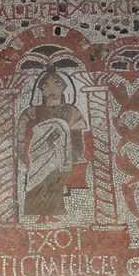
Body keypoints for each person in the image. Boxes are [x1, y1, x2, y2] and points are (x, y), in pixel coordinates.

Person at [17, 67, 88, 219]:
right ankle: (38, 214)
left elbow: (77, 133)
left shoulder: (71, 111)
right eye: (46, 86)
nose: (52, 89)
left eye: (57, 84)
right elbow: (22, 133)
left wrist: (76, 154)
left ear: (64, 88)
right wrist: (22, 152)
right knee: (38, 181)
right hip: (38, 154)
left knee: (55, 181)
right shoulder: (33, 111)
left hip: (60, 154)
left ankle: (53, 213)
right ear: (41, 90)